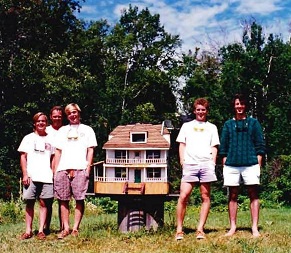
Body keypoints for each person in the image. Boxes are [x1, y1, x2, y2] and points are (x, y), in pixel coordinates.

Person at [219, 94, 266, 237]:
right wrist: (225, 163)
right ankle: (233, 227)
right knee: (232, 195)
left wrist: (258, 164)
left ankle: (254, 228)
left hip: (250, 164)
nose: (240, 107)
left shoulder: (254, 123)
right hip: (232, 164)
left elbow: (260, 146)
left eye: (242, 104)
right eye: (237, 104)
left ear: (246, 106)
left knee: (253, 193)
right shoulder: (228, 124)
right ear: (234, 106)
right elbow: (223, 147)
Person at [175, 98, 220, 240]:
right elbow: (182, 144)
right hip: (190, 164)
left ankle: (200, 229)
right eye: (198, 109)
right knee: (184, 195)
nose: (201, 112)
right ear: (194, 111)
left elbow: (214, 146)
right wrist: (182, 161)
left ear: (207, 111)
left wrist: (212, 163)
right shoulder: (186, 126)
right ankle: (179, 230)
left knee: (205, 196)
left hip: (206, 165)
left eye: (203, 109)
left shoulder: (212, 127)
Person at [53, 103, 97, 239]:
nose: (72, 115)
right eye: (69, 113)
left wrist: (88, 167)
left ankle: (75, 228)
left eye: (74, 112)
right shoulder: (62, 131)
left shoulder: (88, 130)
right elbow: (58, 151)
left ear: (79, 112)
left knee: (79, 199)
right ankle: (65, 228)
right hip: (63, 169)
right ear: (67, 116)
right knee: (63, 200)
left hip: (80, 168)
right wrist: (55, 171)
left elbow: (91, 150)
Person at [18, 112, 54, 240]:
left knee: (44, 203)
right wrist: (25, 174)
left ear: (46, 123)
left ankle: (40, 231)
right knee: (30, 203)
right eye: (38, 121)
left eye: (43, 121)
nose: (41, 123)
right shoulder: (28, 138)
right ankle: (28, 231)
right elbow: (23, 157)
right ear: (34, 123)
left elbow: (53, 158)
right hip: (31, 175)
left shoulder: (51, 139)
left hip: (46, 176)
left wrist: (53, 173)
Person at [44, 105, 63, 234]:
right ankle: (45, 228)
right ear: (51, 117)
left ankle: (63, 227)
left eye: (59, 116)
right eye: (55, 116)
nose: (57, 118)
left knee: (63, 200)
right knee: (47, 200)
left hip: (63, 168)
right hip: (46, 169)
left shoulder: (66, 130)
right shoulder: (45, 131)